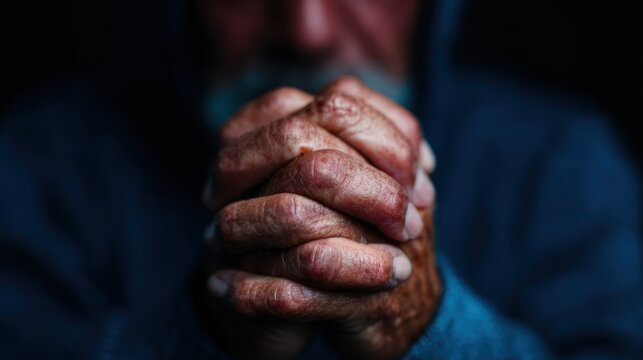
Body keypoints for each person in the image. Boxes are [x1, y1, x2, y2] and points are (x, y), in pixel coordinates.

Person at [0, 0, 641, 359]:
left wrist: (428, 325)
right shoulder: (39, 164)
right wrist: (206, 333)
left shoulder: (562, 161)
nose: (307, 31)